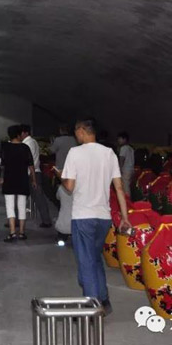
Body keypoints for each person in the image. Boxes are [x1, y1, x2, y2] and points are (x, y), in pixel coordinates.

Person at [61, 118, 130, 316]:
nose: (75, 135)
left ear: (82, 131)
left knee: (86, 263)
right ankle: (104, 299)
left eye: (76, 131)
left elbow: (69, 186)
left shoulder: (75, 153)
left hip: (83, 216)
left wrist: (60, 177)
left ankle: (90, 308)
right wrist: (125, 217)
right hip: (103, 217)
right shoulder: (109, 153)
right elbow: (119, 187)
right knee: (95, 258)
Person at [0, 125, 34, 242]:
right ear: (19, 135)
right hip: (22, 179)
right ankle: (22, 232)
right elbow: (31, 165)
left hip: (9, 179)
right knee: (22, 206)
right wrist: (34, 180)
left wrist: (1, 178)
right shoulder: (25, 148)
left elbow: (2, 165)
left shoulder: (5, 147)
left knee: (10, 206)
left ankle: (12, 232)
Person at [20, 125, 51, 228]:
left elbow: (27, 161)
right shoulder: (33, 142)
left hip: (31, 174)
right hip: (35, 172)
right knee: (38, 198)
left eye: (21, 132)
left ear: (25, 133)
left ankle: (46, 220)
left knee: (38, 198)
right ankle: (46, 220)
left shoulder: (26, 144)